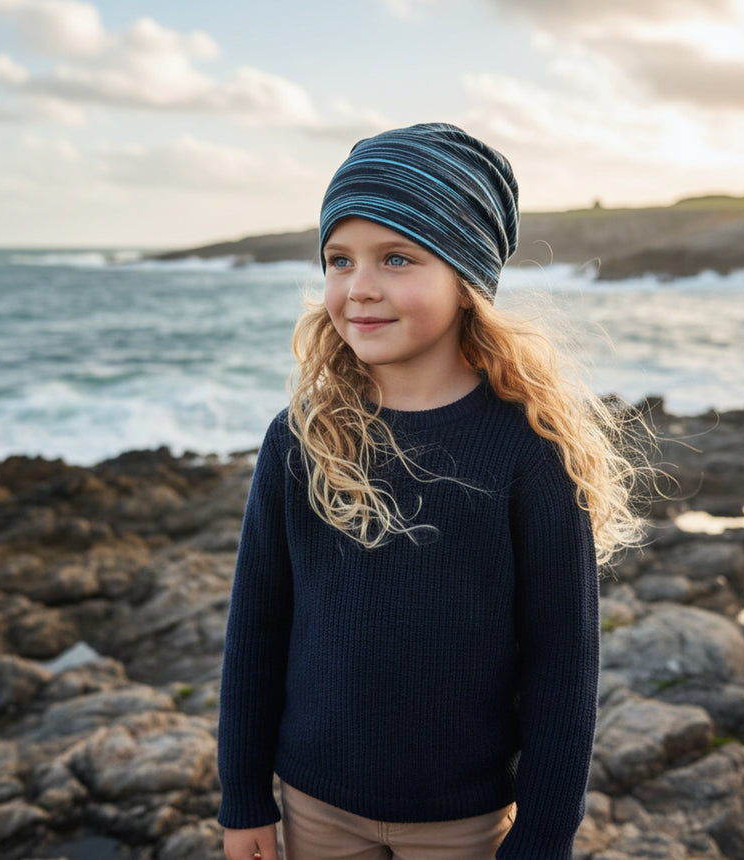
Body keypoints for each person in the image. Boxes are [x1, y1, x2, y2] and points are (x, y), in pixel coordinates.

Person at [216, 122, 645, 860]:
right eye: (339, 259)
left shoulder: (530, 450)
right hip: (314, 805)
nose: (360, 288)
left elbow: (564, 665)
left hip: (465, 821)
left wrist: (543, 835)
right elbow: (256, 628)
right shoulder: (300, 439)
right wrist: (244, 796)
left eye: (397, 257)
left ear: (465, 276)